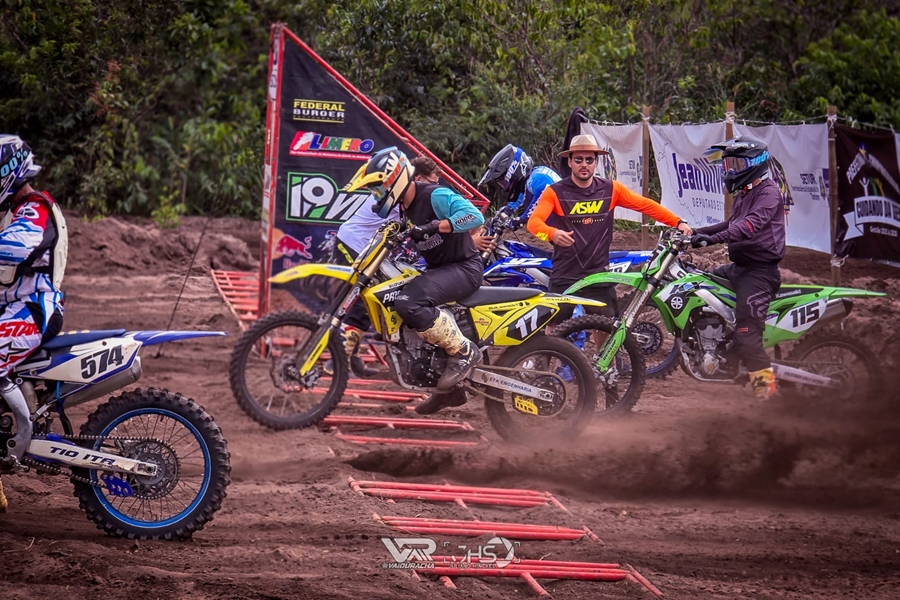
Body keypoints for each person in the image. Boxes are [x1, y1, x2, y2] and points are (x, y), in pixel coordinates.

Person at [345, 147, 485, 415]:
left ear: (394, 181)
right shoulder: (403, 207)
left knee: (409, 302)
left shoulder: (435, 195)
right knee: (399, 302)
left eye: (378, 189)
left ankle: (464, 351)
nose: (376, 196)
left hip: (463, 268)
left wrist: (436, 226)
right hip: (440, 270)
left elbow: (475, 216)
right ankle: (448, 391)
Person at [527, 133, 692, 320]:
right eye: (579, 159)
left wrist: (677, 222)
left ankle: (599, 351)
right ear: (570, 162)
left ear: (596, 163)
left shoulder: (610, 189)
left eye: (589, 160)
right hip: (565, 272)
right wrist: (551, 234)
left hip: (598, 273)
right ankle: (553, 351)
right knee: (554, 326)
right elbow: (533, 224)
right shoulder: (555, 192)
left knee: (605, 324)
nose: (584, 164)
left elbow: (645, 205)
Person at [0, 135, 67, 509]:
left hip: (34, 312)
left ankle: (21, 441)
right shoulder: (17, 207)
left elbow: (15, 247)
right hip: (16, 308)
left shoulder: (34, 208)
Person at [692, 136, 785, 400]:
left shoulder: (768, 193)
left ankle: (768, 394)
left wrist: (710, 240)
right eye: (728, 165)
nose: (730, 170)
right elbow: (728, 223)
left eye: (736, 164)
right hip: (739, 268)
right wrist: (693, 233)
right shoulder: (746, 192)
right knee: (698, 286)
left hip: (759, 274)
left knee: (747, 337)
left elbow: (747, 226)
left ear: (755, 163)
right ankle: (722, 352)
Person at [478, 144, 561, 234]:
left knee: (533, 227)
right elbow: (521, 196)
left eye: (504, 183)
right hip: (563, 228)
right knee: (536, 230)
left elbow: (544, 190)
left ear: (514, 172)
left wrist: (522, 219)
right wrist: (508, 209)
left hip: (570, 227)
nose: (505, 187)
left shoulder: (536, 178)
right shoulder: (532, 177)